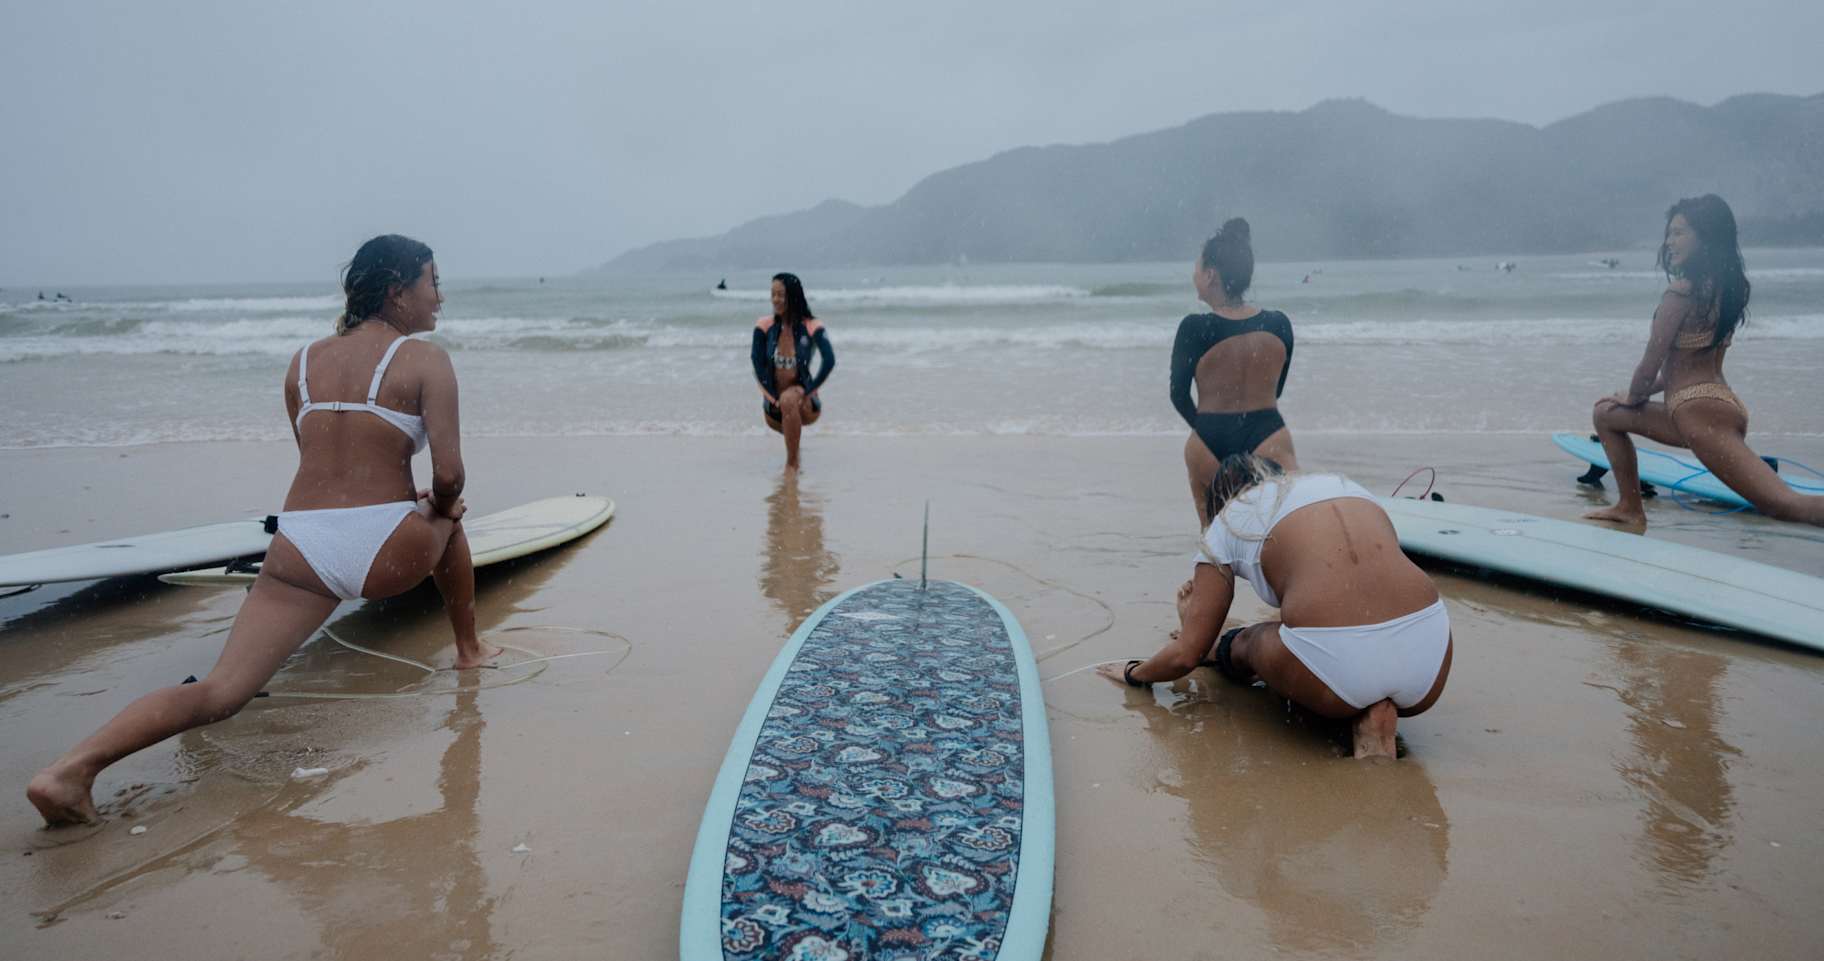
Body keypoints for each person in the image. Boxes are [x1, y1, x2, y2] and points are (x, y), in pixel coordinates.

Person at [27, 234, 499, 826]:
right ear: (397, 292)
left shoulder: (301, 363)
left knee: (221, 692)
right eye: (434, 281)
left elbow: (322, 464)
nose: (441, 296)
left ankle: (69, 771)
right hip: (386, 550)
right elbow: (449, 473)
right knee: (449, 515)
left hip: (300, 544)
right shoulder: (429, 360)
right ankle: (469, 649)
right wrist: (441, 505)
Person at [1100, 455, 1453, 759]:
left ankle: (1218, 643)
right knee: (1319, 617)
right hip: (1429, 657)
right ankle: (1373, 705)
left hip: (1339, 671)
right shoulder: (1344, 487)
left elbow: (1182, 658)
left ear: (1221, 499)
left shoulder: (1229, 519)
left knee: (1250, 642)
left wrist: (1135, 672)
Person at [1585, 195, 1824, 528]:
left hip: (1697, 413)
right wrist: (1637, 396)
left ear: (1705, 236)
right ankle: (1629, 506)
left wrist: (1632, 395)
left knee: (1785, 506)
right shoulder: (1725, 291)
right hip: (1710, 406)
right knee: (1605, 416)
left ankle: (1630, 507)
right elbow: (1680, 367)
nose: (1670, 242)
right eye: (1669, 233)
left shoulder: (1680, 294)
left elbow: (1650, 364)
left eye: (1680, 233)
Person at [1170, 218, 1299, 526]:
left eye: (1197, 268)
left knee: (1214, 537)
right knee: (1285, 526)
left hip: (1209, 439)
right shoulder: (1278, 323)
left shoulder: (1194, 328)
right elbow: (1277, 387)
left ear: (1211, 275)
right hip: (1268, 433)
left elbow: (1178, 395)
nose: (1194, 275)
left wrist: (1206, 428)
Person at [750, 272, 834, 472]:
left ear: (793, 296)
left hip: (805, 403)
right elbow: (757, 364)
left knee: (789, 399)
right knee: (785, 401)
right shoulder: (764, 326)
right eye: (773, 294)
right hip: (773, 408)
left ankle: (792, 465)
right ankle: (794, 450)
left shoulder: (812, 326)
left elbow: (829, 360)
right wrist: (773, 399)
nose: (775, 300)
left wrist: (809, 392)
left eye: (781, 294)